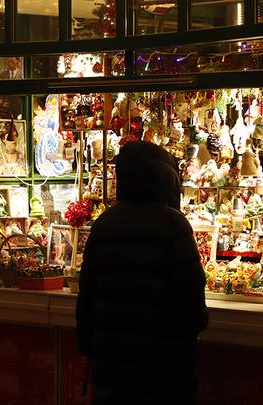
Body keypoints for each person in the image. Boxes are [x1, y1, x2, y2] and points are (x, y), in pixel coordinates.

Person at [76, 141, 209, 404]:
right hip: (164, 366)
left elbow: (87, 295)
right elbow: (192, 300)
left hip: (112, 367)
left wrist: (91, 347)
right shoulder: (174, 225)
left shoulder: (105, 224)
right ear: (165, 179)